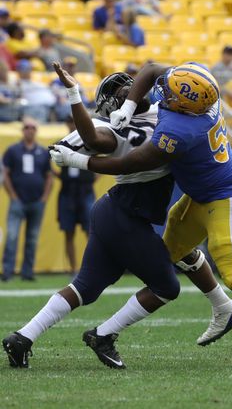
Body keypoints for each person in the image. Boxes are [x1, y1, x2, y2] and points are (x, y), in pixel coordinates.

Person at [49, 62, 232, 368]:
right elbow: (150, 70)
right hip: (199, 194)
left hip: (229, 194)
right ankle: (218, 310)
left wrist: (79, 161)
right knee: (170, 257)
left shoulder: (180, 129)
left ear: (184, 106)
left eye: (171, 96)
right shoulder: (197, 89)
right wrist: (130, 104)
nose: (164, 94)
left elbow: (130, 164)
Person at [3, 66, 181, 369]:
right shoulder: (113, 129)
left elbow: (151, 73)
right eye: (120, 90)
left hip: (115, 212)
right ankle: (104, 335)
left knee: (85, 288)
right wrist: (74, 94)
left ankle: (22, 338)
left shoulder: (162, 111)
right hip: (126, 216)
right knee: (167, 287)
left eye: (129, 84)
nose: (128, 88)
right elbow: (93, 138)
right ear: (111, 104)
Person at [1, 117, 52, 282]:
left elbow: (49, 176)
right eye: (26, 127)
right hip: (18, 201)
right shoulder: (13, 150)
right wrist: (13, 196)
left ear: (35, 131)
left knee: (32, 238)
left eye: (32, 127)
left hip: (37, 202)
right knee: (12, 237)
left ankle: (27, 273)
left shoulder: (43, 152)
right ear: (22, 130)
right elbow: (5, 174)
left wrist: (44, 198)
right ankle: (7, 272)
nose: (29, 130)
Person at [58, 115, 96, 275]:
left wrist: (93, 177)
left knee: (91, 231)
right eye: (69, 122)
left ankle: (91, 268)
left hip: (85, 189)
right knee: (68, 231)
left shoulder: (88, 141)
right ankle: (74, 270)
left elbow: (102, 158)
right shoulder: (61, 142)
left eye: (74, 122)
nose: (72, 125)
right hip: (68, 191)